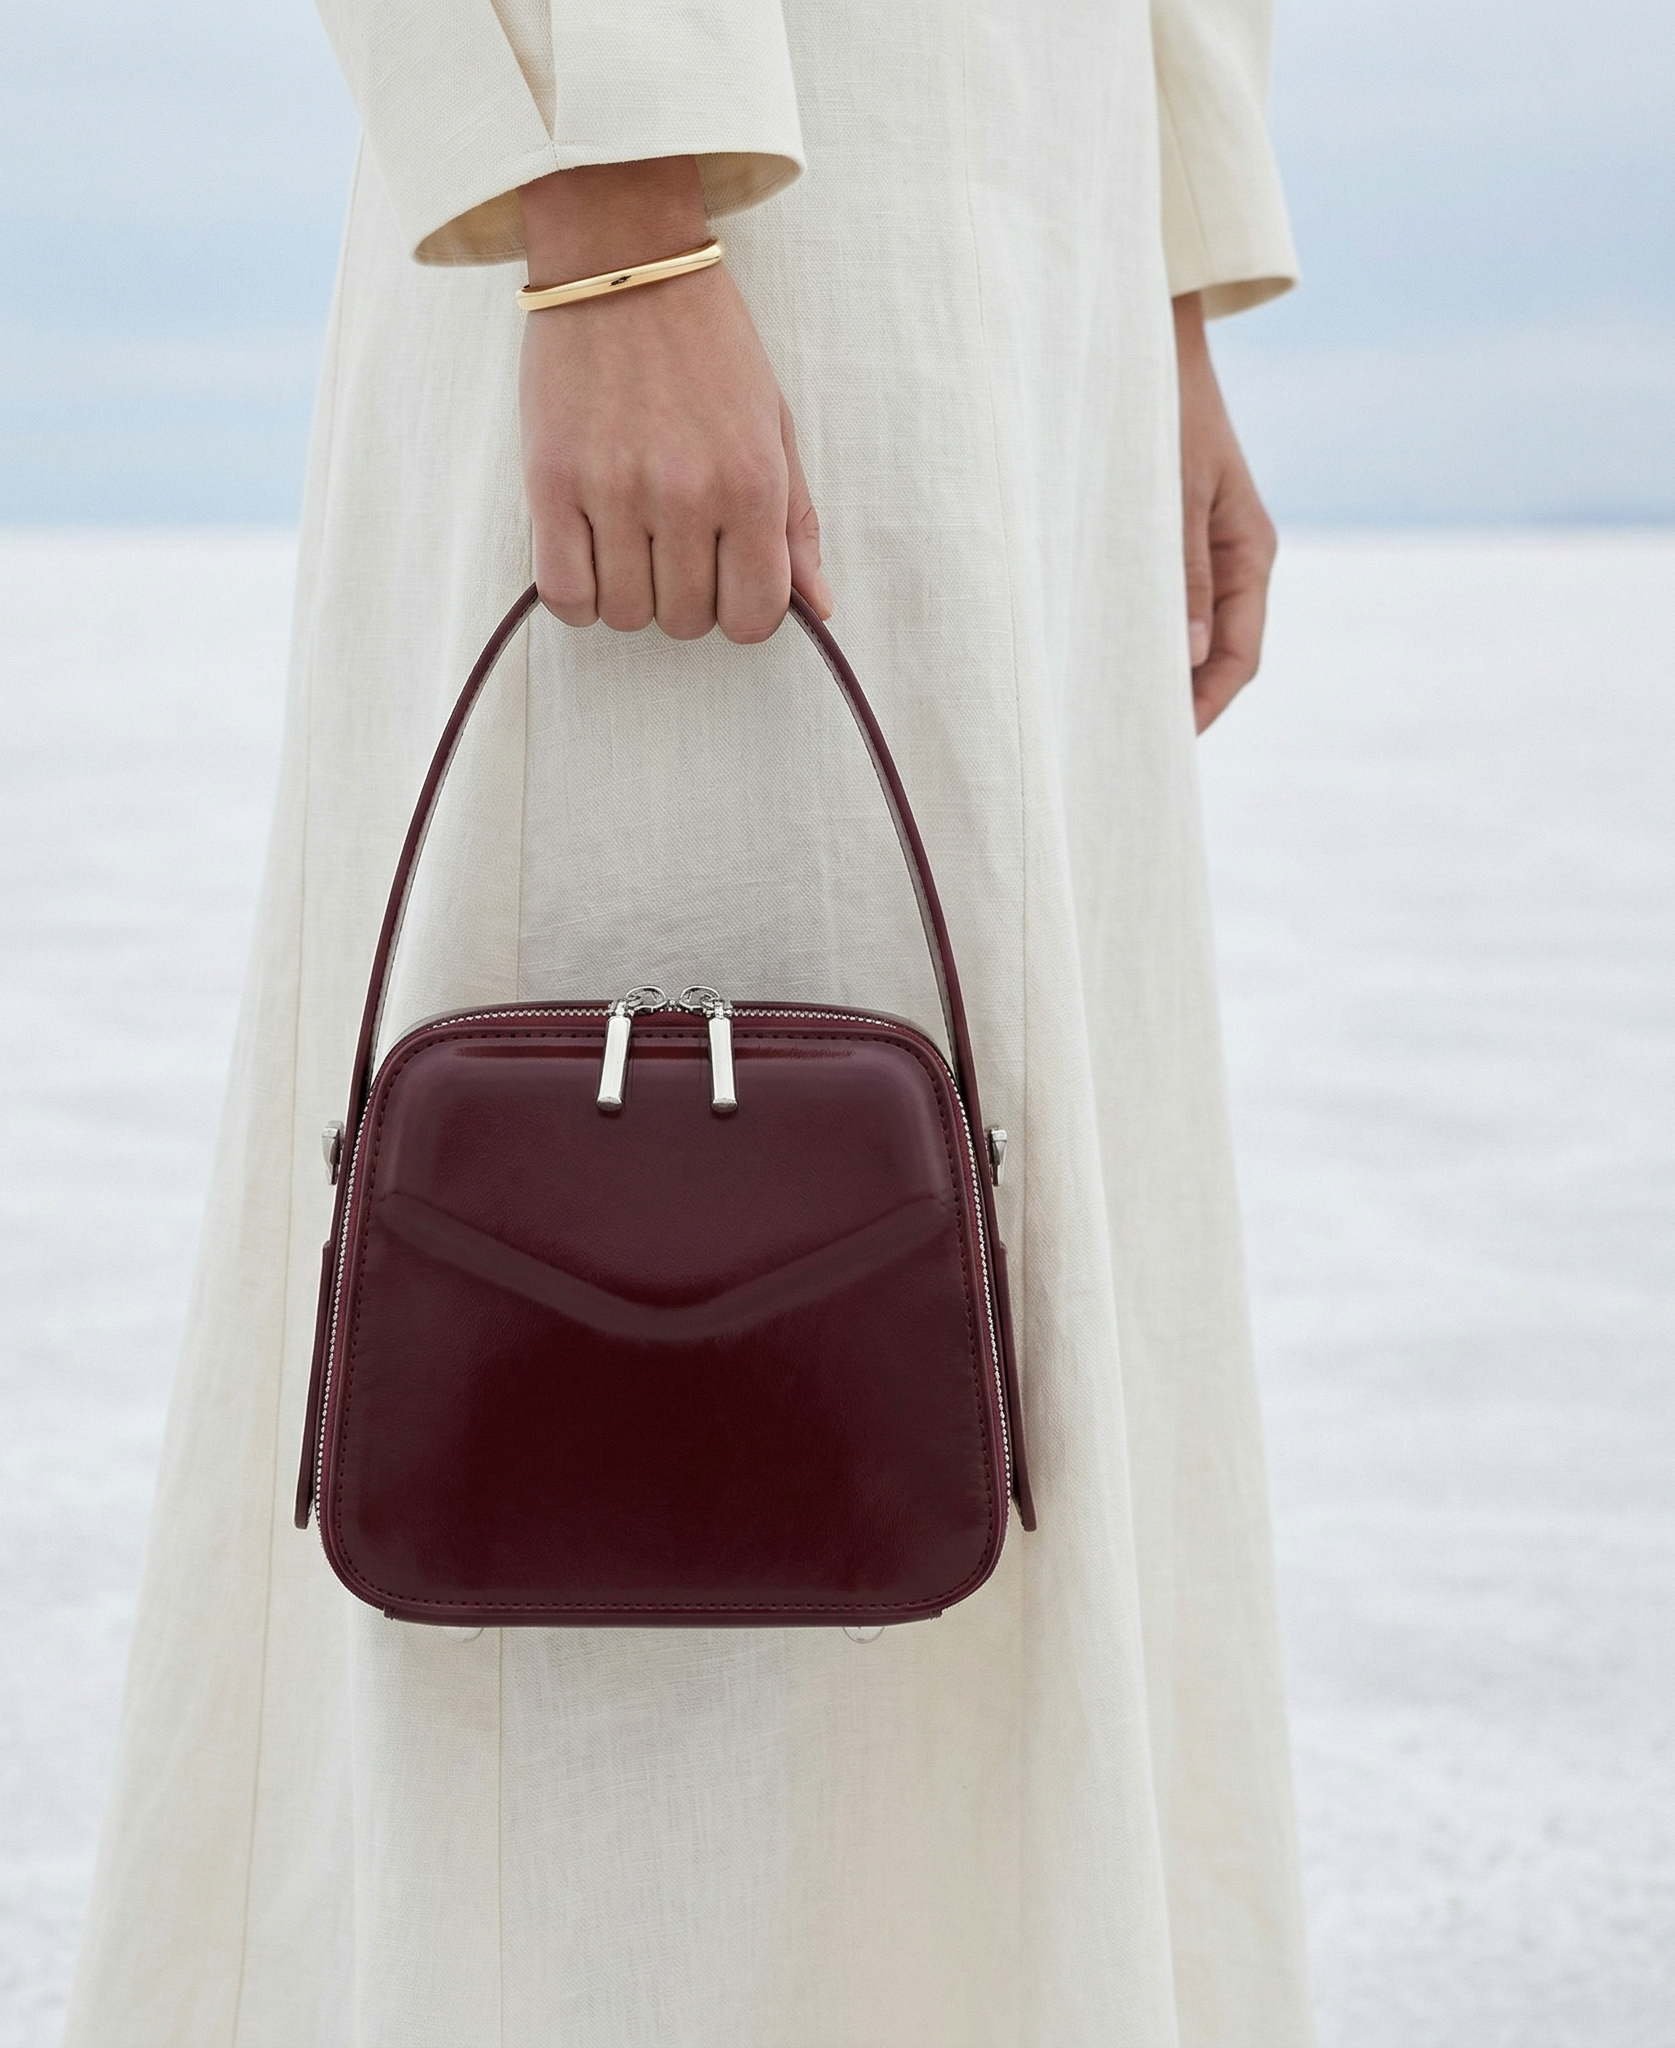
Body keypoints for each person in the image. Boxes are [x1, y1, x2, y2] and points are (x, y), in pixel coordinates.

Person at [63, 3, 1314, 2042]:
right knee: (584, 1402)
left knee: (984, 1328)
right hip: (720, 200)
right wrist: (605, 199)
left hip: (1028, 229)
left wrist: (1165, 278)